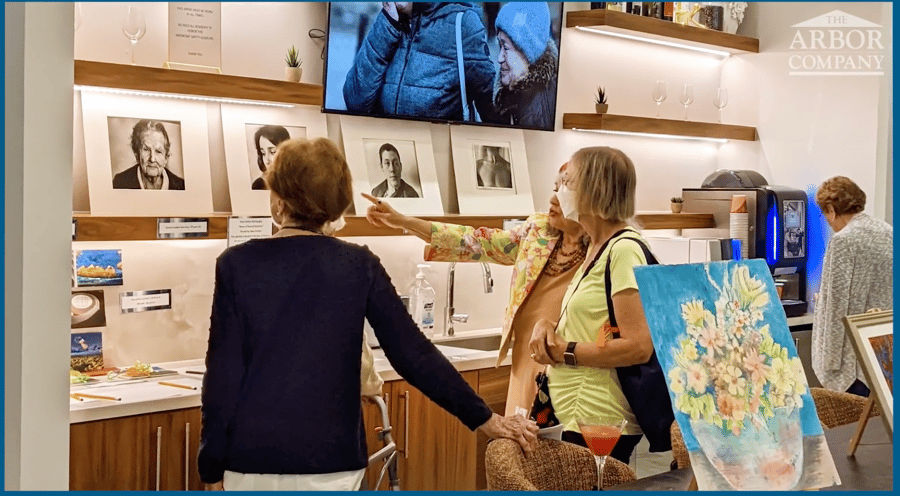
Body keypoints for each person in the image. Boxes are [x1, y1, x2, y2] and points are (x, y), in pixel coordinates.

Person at [198, 137, 537, 491]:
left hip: (251, 460)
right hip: (333, 461)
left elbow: (222, 376)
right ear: (336, 205)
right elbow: (414, 355)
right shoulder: (358, 265)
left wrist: (210, 467)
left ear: (279, 201)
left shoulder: (236, 264)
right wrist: (485, 419)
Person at [363, 164, 590, 418]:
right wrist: (403, 221)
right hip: (526, 364)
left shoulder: (605, 249)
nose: (552, 199)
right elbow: (477, 242)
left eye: (564, 191)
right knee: (521, 448)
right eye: (554, 189)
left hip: (573, 369)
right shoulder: (536, 232)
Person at [529, 146, 655, 465]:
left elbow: (638, 346)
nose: (559, 191)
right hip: (573, 413)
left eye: (567, 182)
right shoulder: (595, 247)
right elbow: (596, 325)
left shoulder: (624, 250)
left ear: (593, 189)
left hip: (599, 418)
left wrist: (563, 351)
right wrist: (548, 326)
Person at [342, 2, 495, 122]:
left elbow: (492, 110)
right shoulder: (385, 18)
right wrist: (388, 24)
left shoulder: (463, 23)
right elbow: (354, 103)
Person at [812, 176, 893, 397]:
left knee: (851, 427)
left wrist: (829, 364)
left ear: (831, 209)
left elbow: (836, 306)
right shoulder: (888, 232)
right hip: (884, 353)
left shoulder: (843, 241)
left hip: (852, 364)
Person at [492, 2, 559, 130]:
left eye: (506, 48)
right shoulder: (511, 98)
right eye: (499, 47)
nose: (499, 58)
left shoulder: (539, 110)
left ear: (529, 54)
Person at [112, 120, 185, 190]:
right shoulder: (119, 183)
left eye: (158, 151)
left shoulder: (181, 185)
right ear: (136, 154)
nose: (152, 159)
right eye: (146, 150)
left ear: (166, 157)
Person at [251, 125, 290, 190]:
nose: (266, 160)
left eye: (273, 152)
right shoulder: (259, 185)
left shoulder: (298, 182)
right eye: (263, 153)